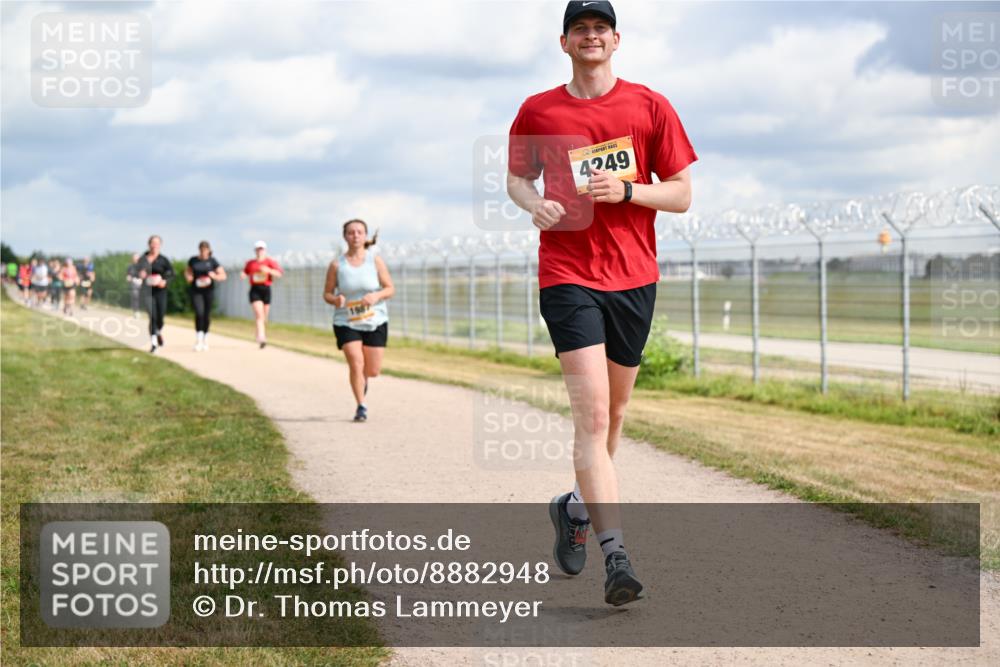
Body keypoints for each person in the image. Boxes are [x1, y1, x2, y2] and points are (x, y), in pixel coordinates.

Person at [507, 1, 696, 606]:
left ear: (617, 40)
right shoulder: (539, 110)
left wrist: (629, 190)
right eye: (579, 29)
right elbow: (516, 177)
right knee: (590, 419)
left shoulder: (650, 105)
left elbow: (683, 195)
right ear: (563, 42)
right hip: (567, 274)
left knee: (614, 419)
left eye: (600, 28)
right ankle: (616, 555)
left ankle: (573, 509)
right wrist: (531, 203)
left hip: (634, 277)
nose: (591, 36)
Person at [322, 220, 393, 422]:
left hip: (375, 319)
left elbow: (390, 288)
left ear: (365, 236)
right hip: (346, 320)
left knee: (372, 370)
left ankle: (364, 380)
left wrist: (376, 296)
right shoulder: (337, 265)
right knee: (355, 362)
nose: (355, 236)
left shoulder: (375, 261)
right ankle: (361, 406)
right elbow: (326, 293)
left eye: (359, 232)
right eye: (351, 232)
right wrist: (335, 299)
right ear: (345, 236)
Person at [185, 241, 227, 351]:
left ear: (209, 251)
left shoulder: (212, 261)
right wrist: (189, 277)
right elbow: (188, 271)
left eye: (205, 250)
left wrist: (215, 276)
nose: (203, 252)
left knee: (206, 315)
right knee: (199, 313)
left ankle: (205, 338)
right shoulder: (193, 260)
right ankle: (198, 338)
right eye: (201, 250)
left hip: (208, 291)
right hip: (196, 290)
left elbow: (223, 275)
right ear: (199, 250)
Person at [240, 241, 282, 349]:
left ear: (265, 250)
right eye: (258, 249)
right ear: (255, 250)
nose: (260, 251)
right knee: (259, 314)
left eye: (262, 249)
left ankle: (258, 332)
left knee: (264, 317)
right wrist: (243, 275)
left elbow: (279, 273)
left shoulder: (270, 262)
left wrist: (268, 270)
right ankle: (262, 337)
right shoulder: (251, 263)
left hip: (266, 289)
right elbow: (245, 272)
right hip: (255, 290)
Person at [136, 235, 175, 353]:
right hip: (147, 291)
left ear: (160, 245)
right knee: (152, 315)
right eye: (152, 243)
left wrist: (165, 281)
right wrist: (140, 274)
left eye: (157, 243)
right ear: (149, 244)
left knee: (160, 317)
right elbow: (136, 271)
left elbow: (171, 274)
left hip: (160, 291)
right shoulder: (143, 259)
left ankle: (158, 331)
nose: (154, 245)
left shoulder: (164, 260)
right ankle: (154, 344)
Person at [126, 254, 143, 318]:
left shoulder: (142, 266)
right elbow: (128, 275)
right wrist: (128, 278)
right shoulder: (130, 266)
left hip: (142, 283)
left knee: (141, 298)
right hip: (134, 283)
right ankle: (136, 311)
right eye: (134, 258)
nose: (135, 260)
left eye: (137, 258)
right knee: (135, 296)